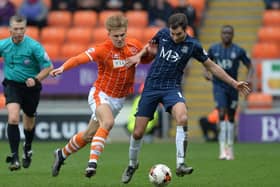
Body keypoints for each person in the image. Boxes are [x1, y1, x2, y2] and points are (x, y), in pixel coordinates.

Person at [121, 13, 251, 184]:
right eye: (173, 33)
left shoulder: (193, 45)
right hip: (152, 86)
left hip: (172, 87)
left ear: (186, 30)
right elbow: (149, 47)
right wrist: (139, 56)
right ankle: (132, 164)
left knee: (182, 117)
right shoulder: (162, 34)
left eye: (179, 34)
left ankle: (180, 163)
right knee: (137, 132)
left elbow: (212, 66)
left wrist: (234, 83)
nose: (175, 37)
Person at [49, 14, 152, 178]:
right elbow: (79, 59)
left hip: (119, 99)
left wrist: (149, 52)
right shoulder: (102, 49)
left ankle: (61, 154)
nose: (119, 39)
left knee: (89, 135)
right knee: (108, 122)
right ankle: (92, 164)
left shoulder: (134, 46)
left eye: (122, 35)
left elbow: (145, 60)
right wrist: (63, 68)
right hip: (101, 93)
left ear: (126, 32)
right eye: (116, 36)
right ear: (108, 34)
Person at [0, 15, 53, 171]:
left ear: (25, 29)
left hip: (31, 88)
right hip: (12, 85)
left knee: (29, 122)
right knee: (14, 118)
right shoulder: (3, 45)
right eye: (16, 29)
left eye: (22, 28)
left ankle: (27, 148)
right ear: (10, 30)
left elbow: (48, 67)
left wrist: (36, 79)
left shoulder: (34, 46)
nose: (19, 32)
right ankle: (14, 157)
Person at [205, 25, 254, 160]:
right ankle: (222, 148)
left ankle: (230, 147)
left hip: (234, 86)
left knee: (231, 117)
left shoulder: (238, 50)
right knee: (221, 112)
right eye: (224, 33)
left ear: (233, 35)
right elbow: (206, 64)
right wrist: (206, 73)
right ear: (221, 34)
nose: (226, 35)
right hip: (219, 85)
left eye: (229, 33)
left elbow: (250, 66)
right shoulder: (214, 49)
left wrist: (248, 79)